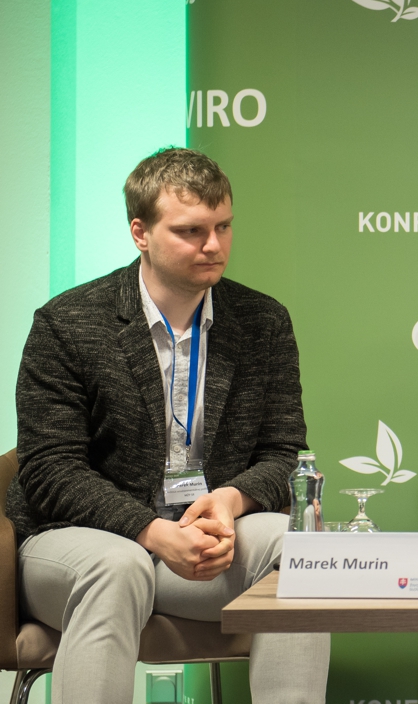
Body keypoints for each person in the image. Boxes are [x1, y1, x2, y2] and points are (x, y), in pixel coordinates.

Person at [5, 147, 330, 703]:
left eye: (223, 226)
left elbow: (284, 454)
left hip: (204, 547)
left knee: (297, 545)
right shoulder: (68, 322)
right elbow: (49, 470)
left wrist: (229, 501)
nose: (214, 245)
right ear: (141, 232)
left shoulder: (263, 321)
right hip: (83, 546)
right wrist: (151, 532)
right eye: (190, 231)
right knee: (119, 566)